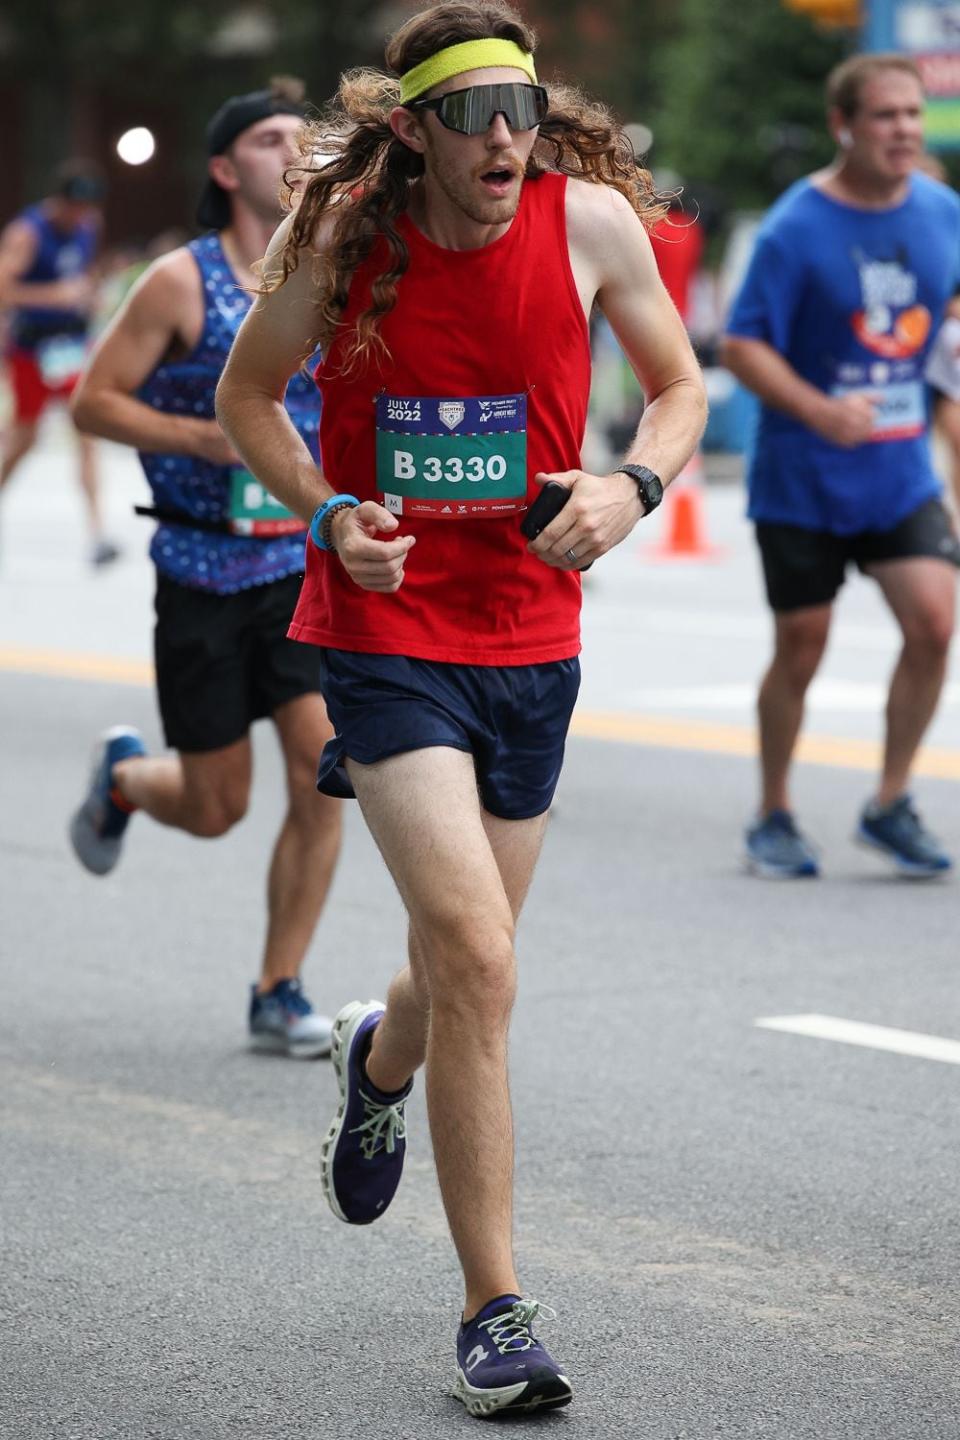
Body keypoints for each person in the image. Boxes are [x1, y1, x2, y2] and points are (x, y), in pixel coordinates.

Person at [216, 1, 706, 1415]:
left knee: (458, 960)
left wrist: (630, 486)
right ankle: (495, 1310)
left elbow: (677, 388)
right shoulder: (339, 241)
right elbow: (257, 399)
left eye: (524, 108)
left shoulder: (592, 227)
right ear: (417, 129)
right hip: (384, 632)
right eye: (475, 112)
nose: (505, 137)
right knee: (485, 961)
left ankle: (377, 1058)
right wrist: (325, 517)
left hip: (532, 638)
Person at [68, 79, 343, 1058]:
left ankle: (279, 987)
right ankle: (130, 781)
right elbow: (93, 404)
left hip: (305, 567)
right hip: (200, 567)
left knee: (324, 773)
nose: (295, 153)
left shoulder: (334, 265)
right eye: (272, 139)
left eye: (306, 141)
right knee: (217, 805)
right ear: (228, 169)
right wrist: (206, 433)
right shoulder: (183, 281)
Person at [721, 53, 960, 880]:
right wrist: (820, 410)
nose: (902, 129)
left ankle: (890, 801)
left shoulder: (941, 211)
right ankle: (774, 810)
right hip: (803, 477)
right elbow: (743, 342)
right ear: (844, 126)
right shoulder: (797, 226)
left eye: (911, 114)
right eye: (885, 115)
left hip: (899, 474)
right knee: (802, 645)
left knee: (934, 622)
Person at [0, 161, 120, 566]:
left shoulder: (90, 224)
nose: (81, 216)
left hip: (71, 345)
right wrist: (55, 295)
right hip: (33, 350)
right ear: (61, 202)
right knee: (24, 437)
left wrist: (91, 294)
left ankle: (97, 531)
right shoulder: (27, 232)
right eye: (76, 208)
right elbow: (4, 290)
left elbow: (84, 273)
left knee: (87, 429)